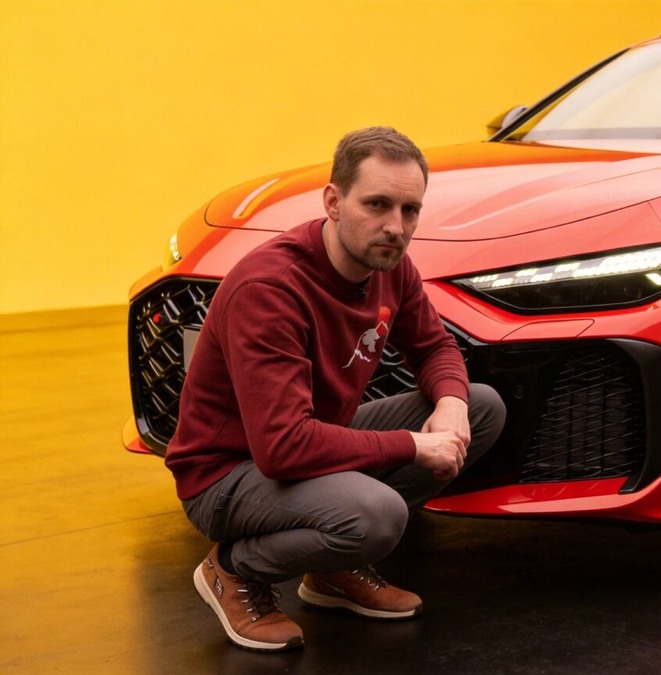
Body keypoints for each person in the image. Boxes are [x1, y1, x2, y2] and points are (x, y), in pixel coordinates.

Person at [165, 126, 505, 652]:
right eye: (377, 204)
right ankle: (234, 570)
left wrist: (451, 405)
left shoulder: (389, 265)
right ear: (333, 202)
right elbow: (282, 448)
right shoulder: (270, 289)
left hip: (310, 442)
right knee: (377, 514)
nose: (395, 227)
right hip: (227, 474)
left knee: (482, 407)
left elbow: (434, 347)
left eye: (410, 210)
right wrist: (414, 445)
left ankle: (332, 566)